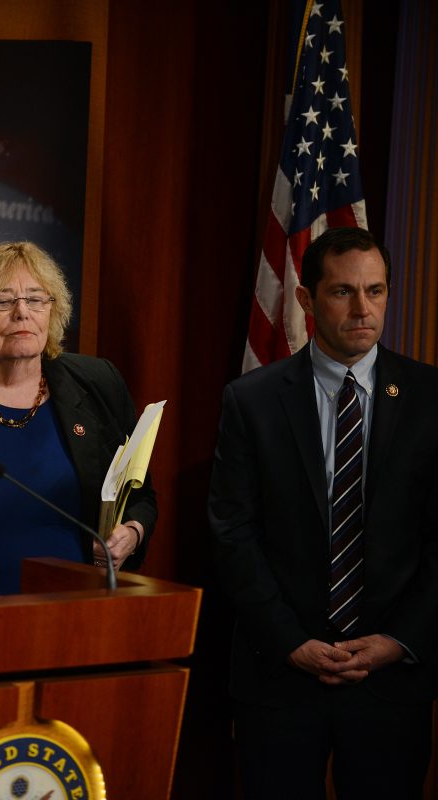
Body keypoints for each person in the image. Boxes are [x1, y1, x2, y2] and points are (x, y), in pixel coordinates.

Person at [208, 227, 438, 797]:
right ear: (306, 300)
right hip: (280, 676)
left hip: (392, 680)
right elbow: (232, 534)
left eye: (376, 291)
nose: (363, 309)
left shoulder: (431, 398)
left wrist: (397, 641)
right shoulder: (252, 400)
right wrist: (291, 641)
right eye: (342, 292)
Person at [0, 242, 156, 594]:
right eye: (3, 301)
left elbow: (141, 495)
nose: (22, 313)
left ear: (52, 311)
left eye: (36, 299)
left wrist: (132, 532)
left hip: (77, 611)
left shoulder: (97, 383)